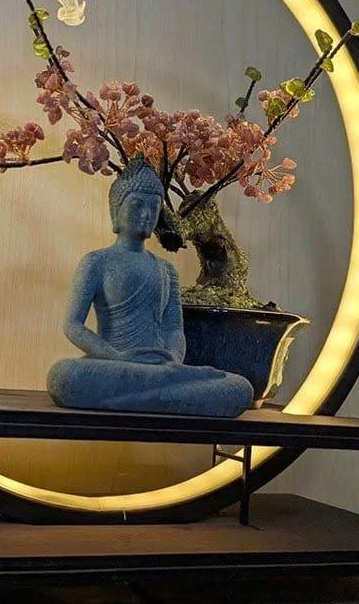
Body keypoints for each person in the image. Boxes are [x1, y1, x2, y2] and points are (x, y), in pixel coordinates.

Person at [47, 156, 254, 416]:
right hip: (116, 366)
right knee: (64, 377)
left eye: (154, 207)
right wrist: (116, 357)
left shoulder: (166, 270)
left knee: (239, 387)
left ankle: (147, 394)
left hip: (160, 368)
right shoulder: (96, 262)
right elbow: (73, 325)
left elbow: (173, 329)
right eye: (137, 205)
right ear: (116, 210)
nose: (146, 215)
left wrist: (173, 360)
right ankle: (168, 396)